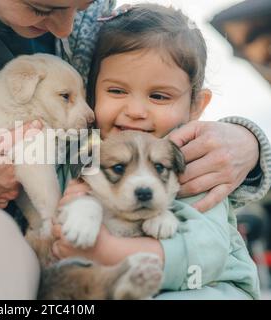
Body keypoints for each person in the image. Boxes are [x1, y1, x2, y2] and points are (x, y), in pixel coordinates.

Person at [0, 0, 269, 299]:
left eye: (86, 5)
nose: (69, 27)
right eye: (44, 7)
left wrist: (248, 140)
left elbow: (164, 80)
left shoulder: (93, 33)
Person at [52, 3, 266, 299]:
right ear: (92, 93)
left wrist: (109, 252)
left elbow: (209, 250)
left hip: (210, 289)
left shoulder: (198, 161)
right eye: (116, 91)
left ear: (196, 106)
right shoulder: (84, 153)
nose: (136, 111)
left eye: (158, 96)